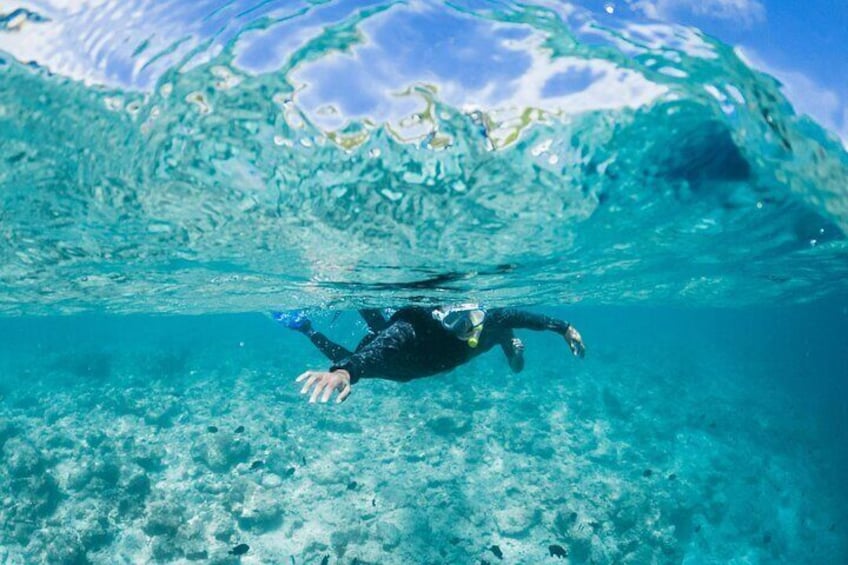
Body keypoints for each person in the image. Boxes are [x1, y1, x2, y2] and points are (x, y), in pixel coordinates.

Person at [274, 305, 586, 404]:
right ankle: (307, 328)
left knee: (379, 331)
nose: (469, 329)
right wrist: (343, 372)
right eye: (457, 322)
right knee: (367, 348)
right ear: (440, 316)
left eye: (473, 319)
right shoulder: (414, 324)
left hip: (420, 364)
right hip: (404, 364)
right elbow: (368, 358)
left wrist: (565, 328)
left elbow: (531, 323)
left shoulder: (497, 324)